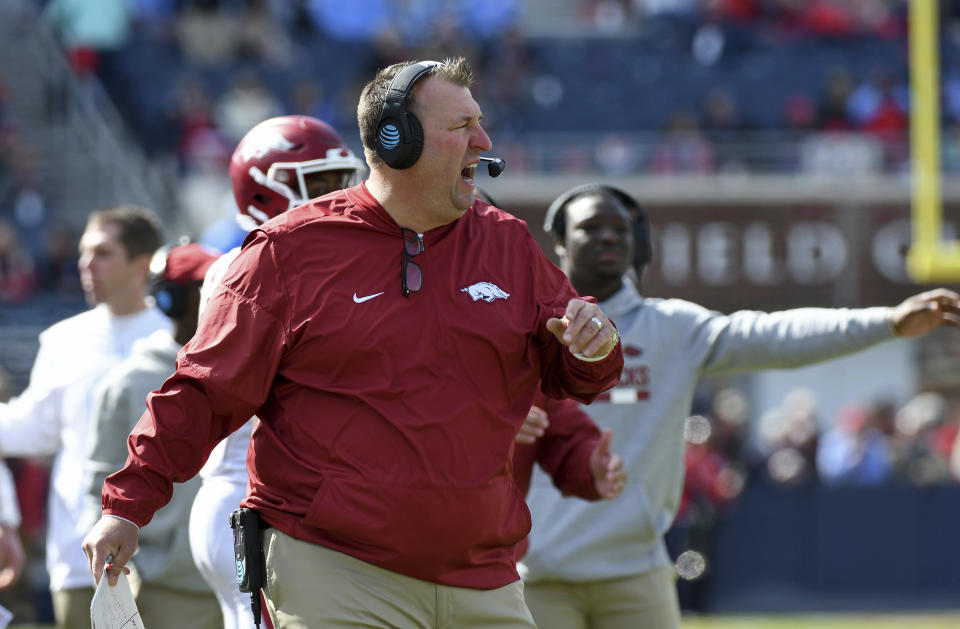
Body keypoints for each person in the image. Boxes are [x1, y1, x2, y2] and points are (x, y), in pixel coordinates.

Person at [82, 57, 623, 629]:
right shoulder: (288, 251)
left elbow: (576, 375)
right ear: (398, 138)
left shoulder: (507, 243)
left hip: (482, 572)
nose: (484, 142)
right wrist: (127, 507)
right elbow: (201, 393)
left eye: (479, 123)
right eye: (461, 126)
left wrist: (593, 346)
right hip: (335, 569)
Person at [518, 183, 960, 629]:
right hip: (540, 573)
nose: (609, 236)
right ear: (558, 242)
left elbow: (776, 335)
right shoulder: (532, 324)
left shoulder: (673, 328)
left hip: (638, 571)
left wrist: (886, 323)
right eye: (591, 227)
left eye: (620, 227)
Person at [189, 114, 365, 629]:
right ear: (266, 193)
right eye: (321, 185)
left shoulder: (291, 261)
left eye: (340, 182)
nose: (339, 198)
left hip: (258, 498)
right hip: (252, 499)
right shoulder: (254, 264)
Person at [0, 205, 169, 629]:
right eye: (83, 253)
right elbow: (33, 431)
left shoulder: (181, 337)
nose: (85, 265)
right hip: (81, 553)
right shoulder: (63, 339)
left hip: (170, 561)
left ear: (142, 262)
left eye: (103, 253)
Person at [83, 242, 221, 629]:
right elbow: (98, 482)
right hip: (167, 585)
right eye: (207, 286)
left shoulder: (245, 367)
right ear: (170, 299)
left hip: (241, 578)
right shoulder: (127, 383)